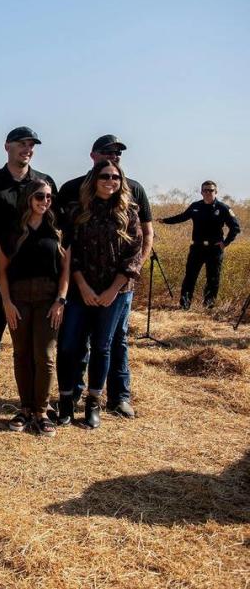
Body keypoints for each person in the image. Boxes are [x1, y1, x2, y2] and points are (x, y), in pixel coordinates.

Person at [55, 134, 152, 419]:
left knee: (112, 341)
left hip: (118, 287)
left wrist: (124, 279)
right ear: (93, 156)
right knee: (74, 340)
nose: (114, 158)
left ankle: (117, 397)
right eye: (107, 153)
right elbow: (68, 242)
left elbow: (145, 237)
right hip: (80, 286)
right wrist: (79, 283)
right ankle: (72, 394)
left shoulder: (134, 192)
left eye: (118, 154)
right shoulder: (74, 192)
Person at [0, 127, 56, 418]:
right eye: (21, 143)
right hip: (2, 275)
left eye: (31, 145)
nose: (27, 149)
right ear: (7, 146)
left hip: (41, 281)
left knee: (36, 348)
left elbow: (57, 232)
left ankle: (35, 404)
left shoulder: (43, 183)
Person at [0, 180, 69, 436]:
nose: (45, 201)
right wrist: (6, 302)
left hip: (49, 300)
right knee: (21, 354)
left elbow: (66, 272)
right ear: (28, 197)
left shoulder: (57, 229)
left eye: (49, 197)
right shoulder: (11, 231)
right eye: (40, 196)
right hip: (18, 300)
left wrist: (61, 300)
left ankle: (41, 410)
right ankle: (25, 409)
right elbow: (1, 272)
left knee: (45, 356)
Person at [159, 181, 241, 309]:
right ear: (201, 192)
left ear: (216, 192)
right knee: (190, 277)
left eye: (211, 190)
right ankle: (184, 306)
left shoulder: (223, 208)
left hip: (214, 249)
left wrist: (225, 243)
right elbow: (181, 217)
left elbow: (235, 228)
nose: (208, 193)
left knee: (212, 279)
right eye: (205, 190)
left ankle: (208, 307)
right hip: (197, 248)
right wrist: (164, 221)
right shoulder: (196, 206)